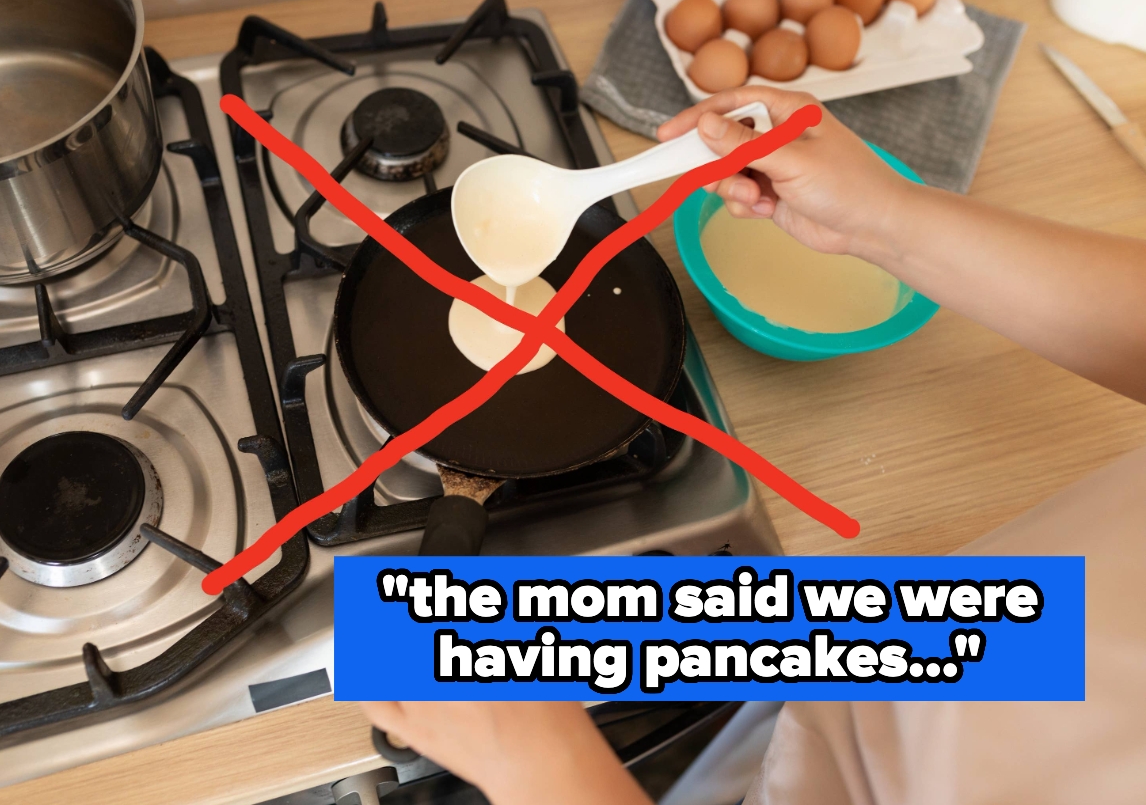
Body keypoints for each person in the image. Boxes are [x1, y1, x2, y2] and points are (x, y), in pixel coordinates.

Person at [361, 87, 1146, 805]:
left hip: (903, 763)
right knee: (408, 635)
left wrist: (545, 770)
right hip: (986, 635)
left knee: (411, 641)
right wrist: (887, 216)